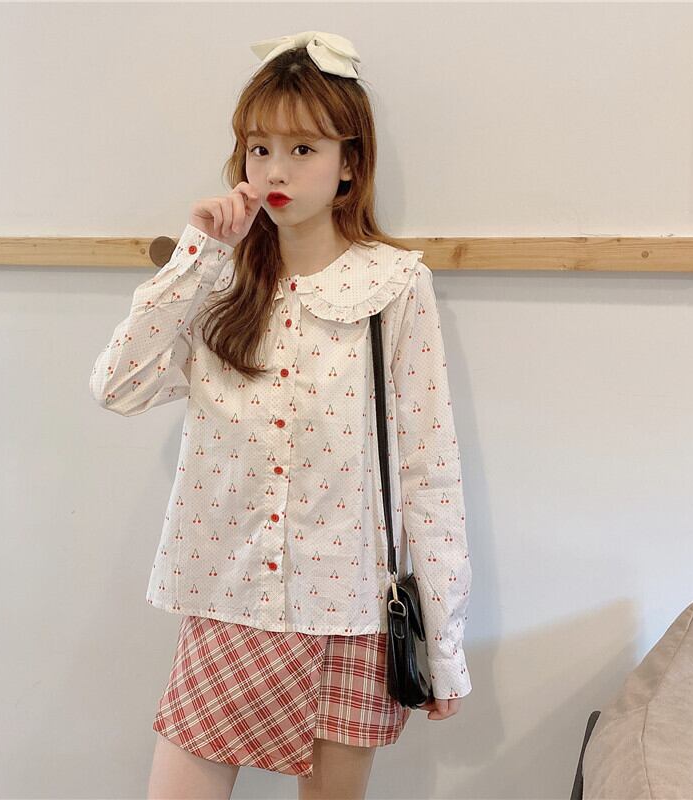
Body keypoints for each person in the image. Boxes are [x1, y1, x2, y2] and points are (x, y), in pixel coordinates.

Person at [89, 29, 473, 800]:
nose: (275, 171)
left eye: (303, 149)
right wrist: (198, 253)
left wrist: (444, 646)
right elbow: (117, 387)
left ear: (349, 163)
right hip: (228, 601)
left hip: (348, 608)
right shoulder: (217, 283)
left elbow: (428, 474)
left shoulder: (394, 287)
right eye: (258, 149)